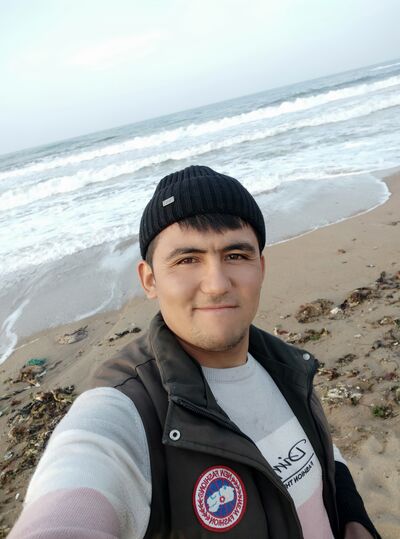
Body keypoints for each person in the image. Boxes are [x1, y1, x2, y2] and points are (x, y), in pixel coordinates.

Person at [9, 165, 380, 539]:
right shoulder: (127, 408)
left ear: (261, 267)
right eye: (187, 260)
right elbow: (74, 489)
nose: (217, 284)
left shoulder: (286, 364)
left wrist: (353, 515)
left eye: (236, 255)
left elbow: (318, 450)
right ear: (150, 280)